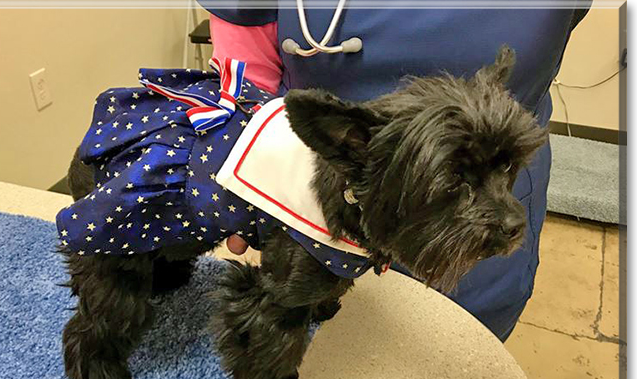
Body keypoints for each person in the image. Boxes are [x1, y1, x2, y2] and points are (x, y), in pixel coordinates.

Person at [197, 2, 591, 341]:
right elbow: (245, 45)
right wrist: (248, 159)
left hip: (475, 258)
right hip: (314, 194)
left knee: (457, 351)